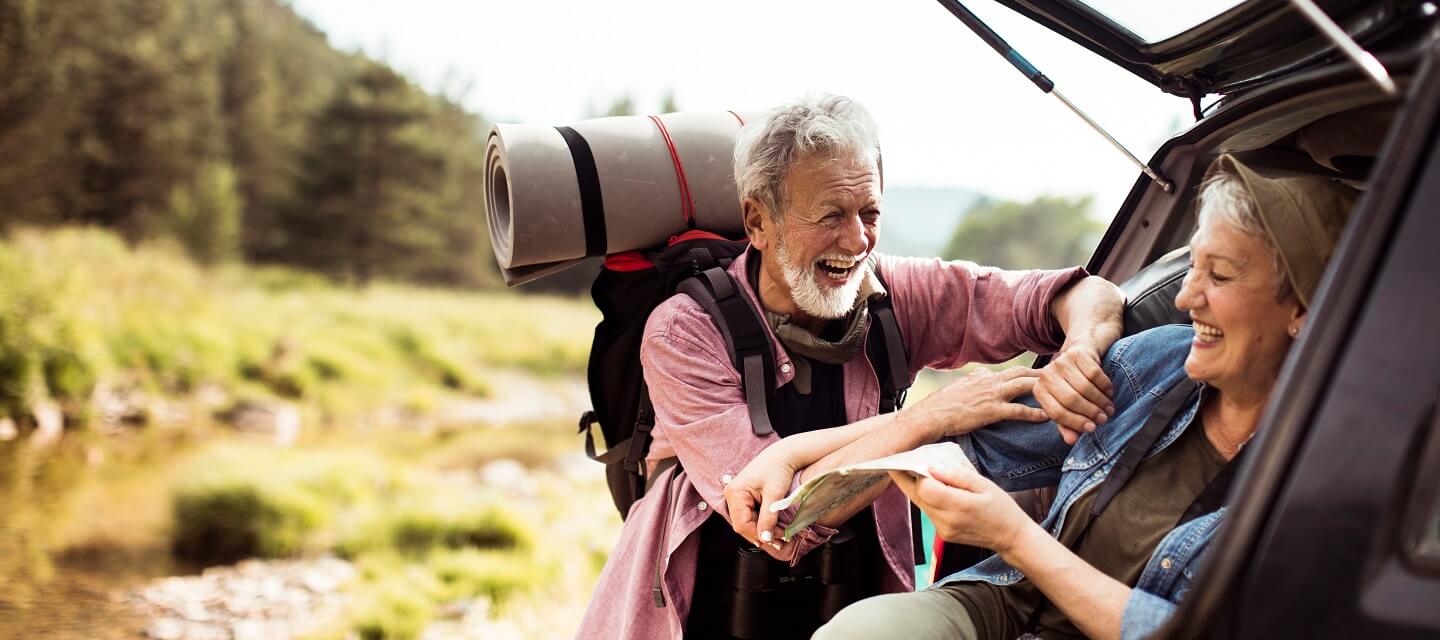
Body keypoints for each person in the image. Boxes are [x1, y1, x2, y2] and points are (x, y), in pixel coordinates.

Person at [575, 94, 1126, 639]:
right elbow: (780, 521)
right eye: (831, 216)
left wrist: (1079, 348)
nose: (858, 240)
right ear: (758, 221)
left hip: (854, 602)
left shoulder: (893, 293)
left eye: (870, 213)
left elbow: (1081, 293)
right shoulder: (683, 331)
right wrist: (928, 419)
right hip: (702, 611)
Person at [806, 154, 1357, 640]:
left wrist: (1014, 536)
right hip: (1007, 606)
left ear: (1306, 309)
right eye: (1194, 268)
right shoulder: (1161, 361)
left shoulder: (1338, 489)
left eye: (1221, 276)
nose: (1188, 297)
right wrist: (793, 457)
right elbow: (965, 438)